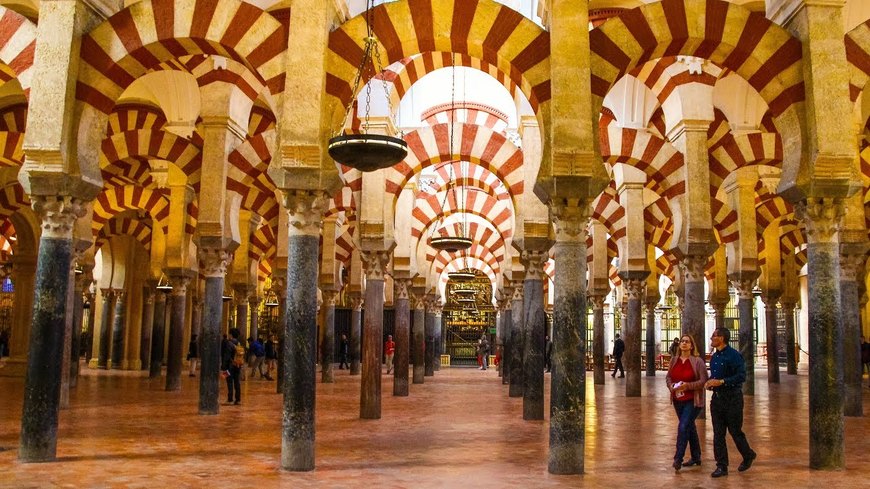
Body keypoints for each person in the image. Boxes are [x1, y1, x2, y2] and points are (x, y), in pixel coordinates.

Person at [705, 327, 756, 478]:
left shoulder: (734, 356)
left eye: (714, 336)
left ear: (722, 338)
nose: (711, 338)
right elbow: (714, 376)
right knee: (718, 433)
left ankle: (748, 454)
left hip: (733, 398)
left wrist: (721, 382)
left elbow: (741, 376)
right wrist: (710, 383)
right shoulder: (714, 357)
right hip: (717, 399)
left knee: (735, 431)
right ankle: (721, 466)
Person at [666, 334, 708, 471]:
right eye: (682, 341)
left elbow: (703, 381)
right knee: (690, 427)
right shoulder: (674, 360)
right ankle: (696, 456)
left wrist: (687, 386)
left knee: (683, 426)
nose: (684, 343)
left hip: (692, 400)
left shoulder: (697, 362)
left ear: (691, 345)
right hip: (678, 400)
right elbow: (668, 377)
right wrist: (671, 386)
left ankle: (678, 458)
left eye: (687, 342)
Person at [221, 328, 243, 405]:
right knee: (237, 382)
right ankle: (238, 399)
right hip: (237, 365)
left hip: (230, 366)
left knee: (229, 382)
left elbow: (226, 356)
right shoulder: (238, 343)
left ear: (231, 334)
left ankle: (230, 399)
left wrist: (223, 367)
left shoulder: (229, 343)